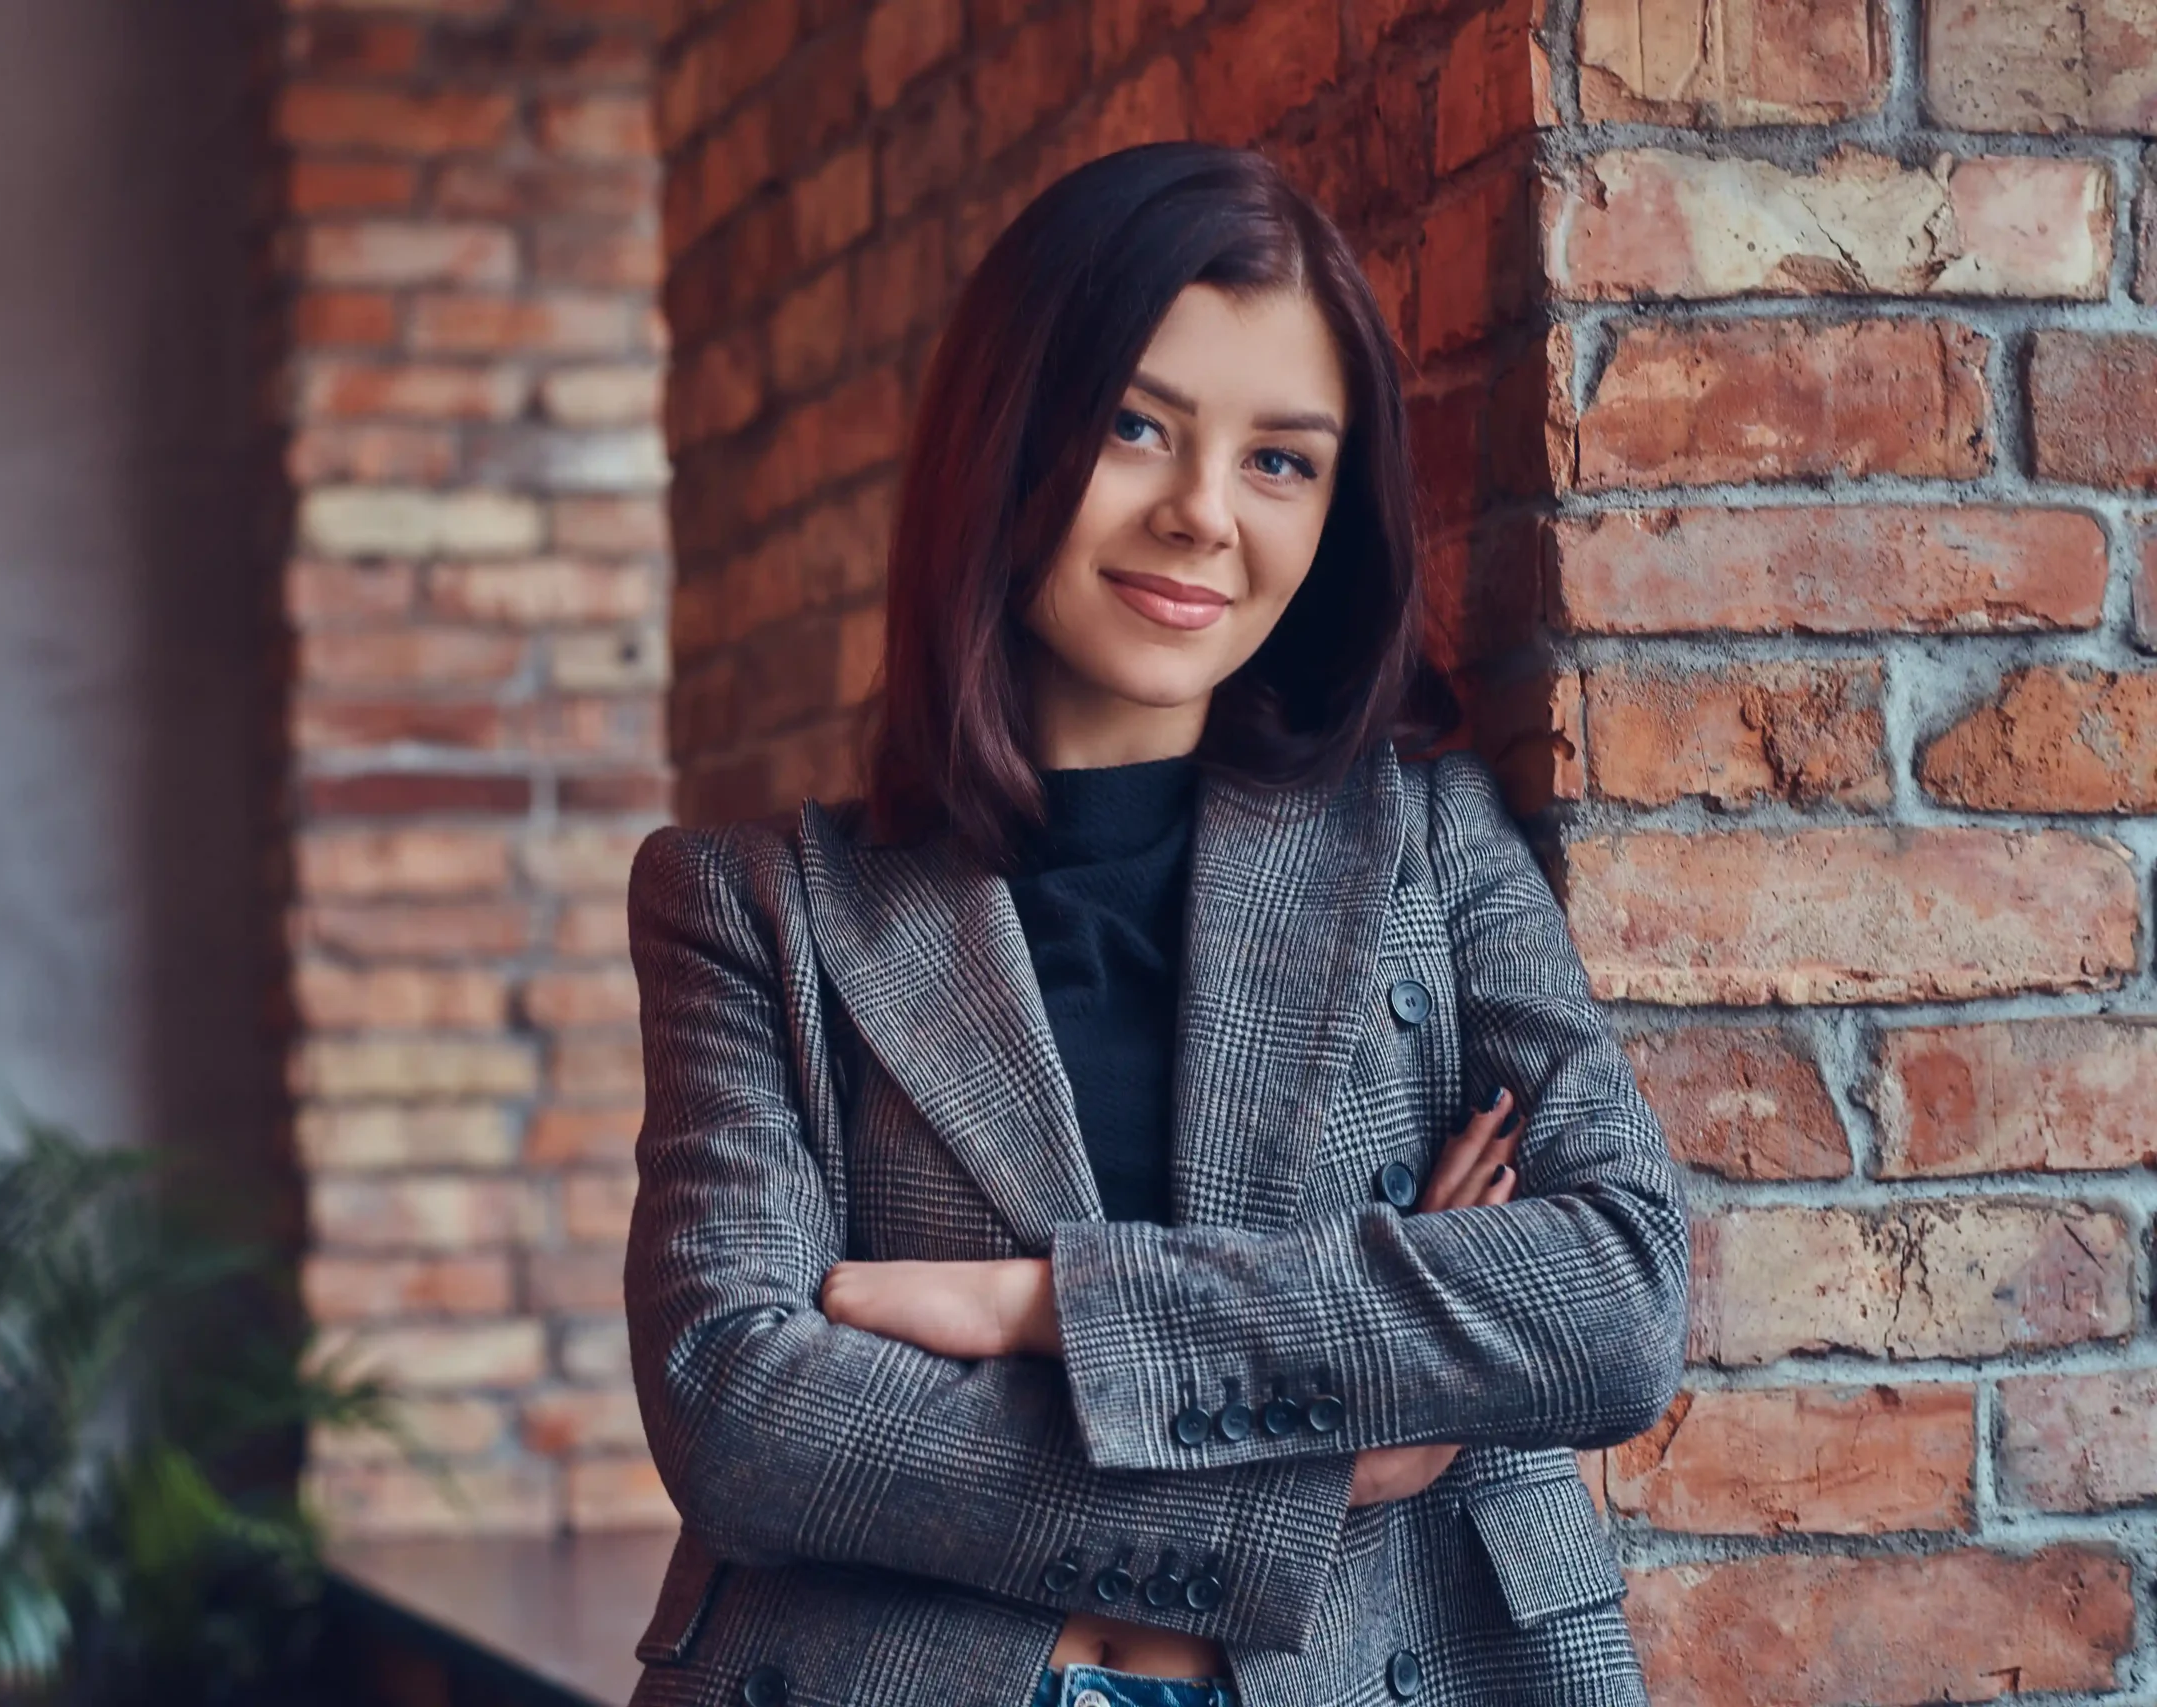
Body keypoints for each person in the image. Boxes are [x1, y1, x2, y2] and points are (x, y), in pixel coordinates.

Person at [619, 141, 1690, 1707]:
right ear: (1008, 440)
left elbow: (1613, 1291)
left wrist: (1052, 1307)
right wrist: (1315, 1468)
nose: (1202, 513)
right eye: (1138, 427)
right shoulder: (754, 908)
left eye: (1281, 460)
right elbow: (739, 1406)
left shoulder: (1431, 849)